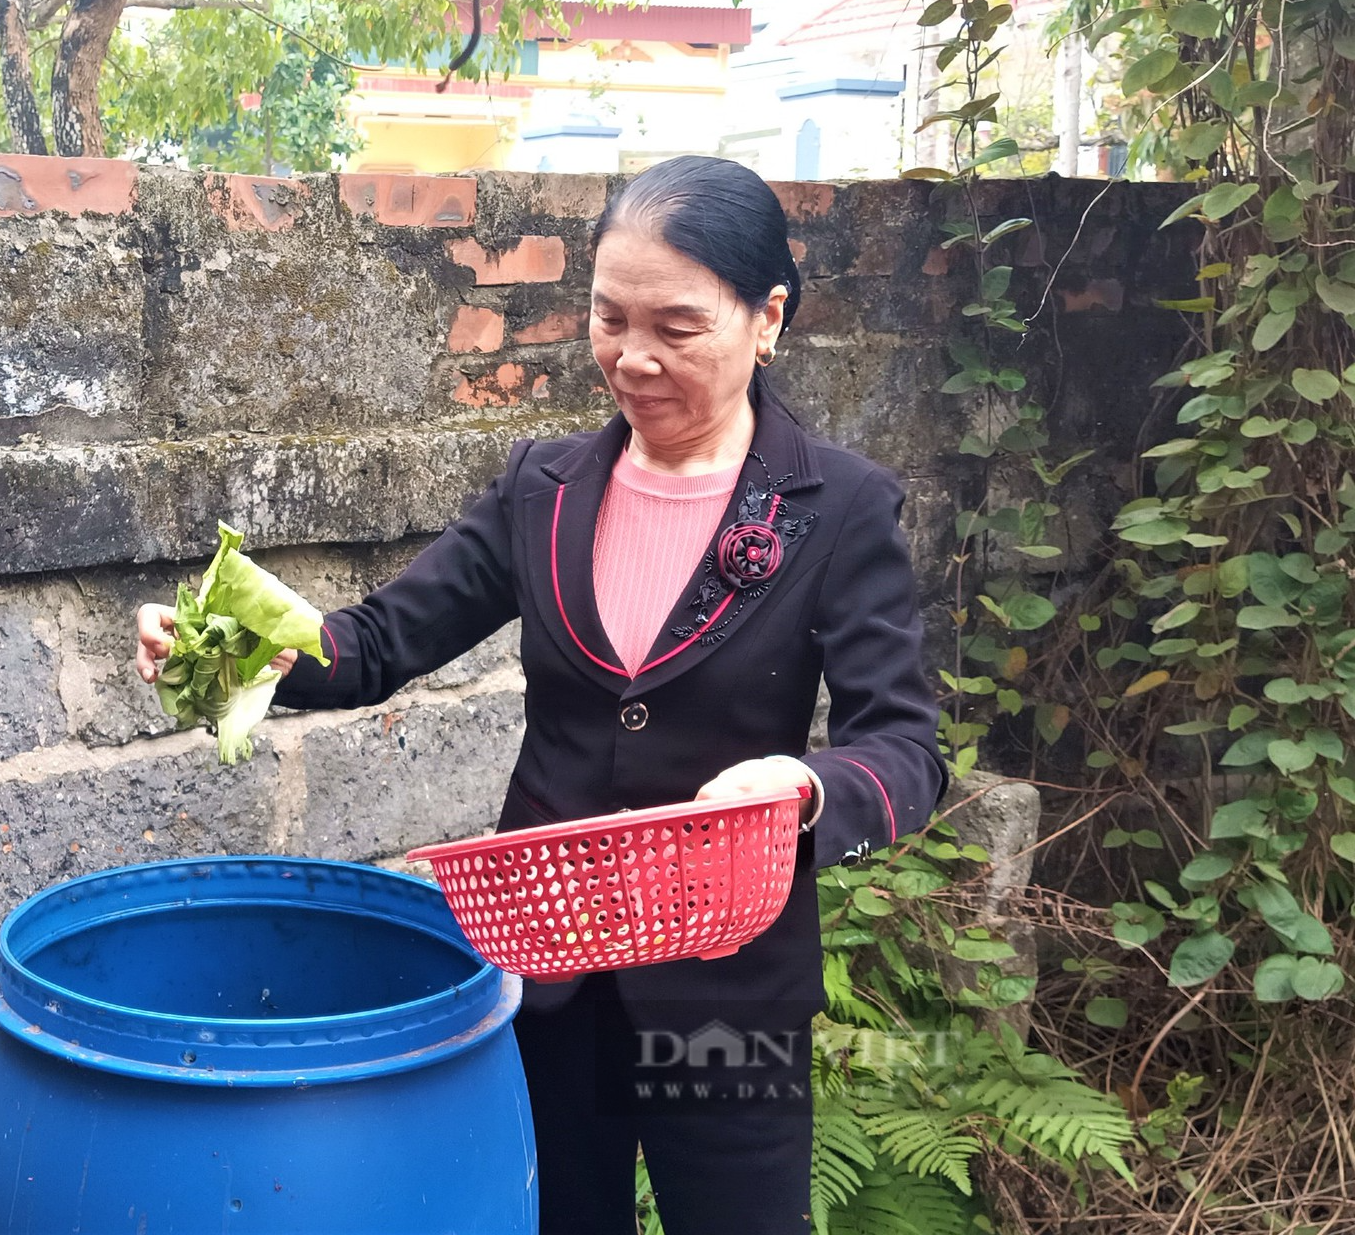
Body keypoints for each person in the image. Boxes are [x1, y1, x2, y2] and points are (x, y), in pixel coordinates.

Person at [135, 154, 945, 1235]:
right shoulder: (543, 489)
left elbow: (901, 746)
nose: (633, 357)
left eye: (677, 326)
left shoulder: (835, 507)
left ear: (767, 319)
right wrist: (233, 652)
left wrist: (802, 785)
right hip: (546, 974)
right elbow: (376, 640)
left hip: (724, 988)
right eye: (609, 319)